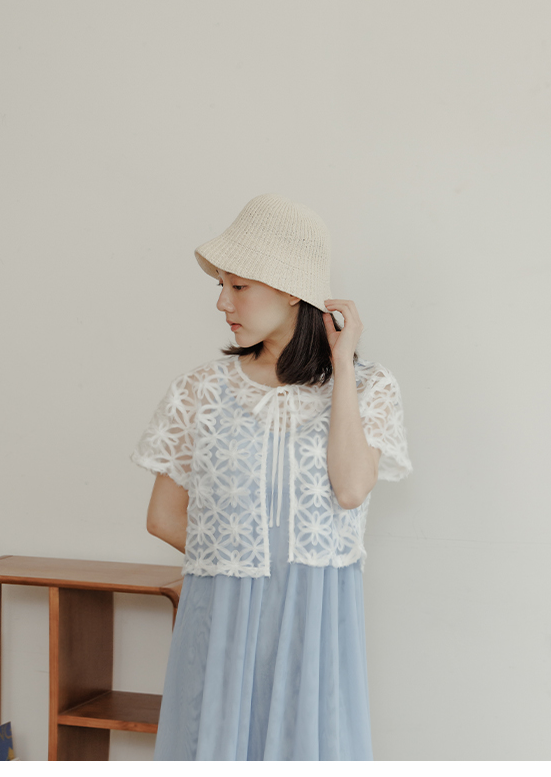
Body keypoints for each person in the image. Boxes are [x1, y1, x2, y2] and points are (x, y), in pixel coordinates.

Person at [131, 193, 412, 760]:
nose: (222, 302)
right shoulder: (200, 391)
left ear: (290, 290)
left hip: (316, 628)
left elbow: (351, 488)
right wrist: (247, 557)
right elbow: (161, 518)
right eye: (222, 286)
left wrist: (342, 363)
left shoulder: (368, 387)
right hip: (222, 623)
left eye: (238, 286)